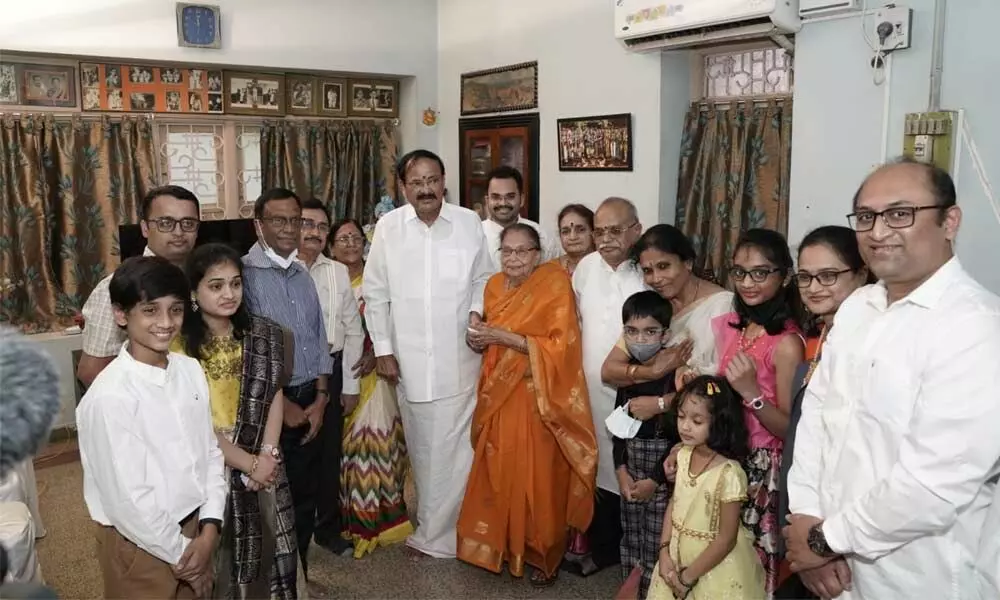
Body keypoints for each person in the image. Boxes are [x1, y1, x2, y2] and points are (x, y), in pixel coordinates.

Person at [784, 160, 1000, 599]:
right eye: (866, 217)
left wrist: (824, 541)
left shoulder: (976, 327)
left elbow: (933, 485)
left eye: (900, 214)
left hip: (923, 575)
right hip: (836, 568)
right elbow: (816, 421)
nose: (878, 231)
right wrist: (807, 517)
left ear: (949, 221)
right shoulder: (858, 308)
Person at [363, 149, 493, 559]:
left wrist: (476, 310)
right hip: (411, 362)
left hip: (461, 357)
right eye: (416, 182)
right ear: (402, 188)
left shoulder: (469, 223)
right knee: (423, 449)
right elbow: (375, 292)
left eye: (432, 180)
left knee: (459, 451)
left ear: (444, 181)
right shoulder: (388, 227)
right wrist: (383, 349)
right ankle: (434, 528)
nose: (425, 189)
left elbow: (484, 277)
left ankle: (444, 536)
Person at [76, 256, 225, 599]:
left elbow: (210, 452)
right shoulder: (110, 397)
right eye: (150, 310)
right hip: (139, 545)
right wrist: (188, 559)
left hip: (196, 527)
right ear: (120, 314)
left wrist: (210, 529)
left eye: (175, 309)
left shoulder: (189, 370)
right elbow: (130, 502)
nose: (165, 322)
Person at [457, 224, 597, 586]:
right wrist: (481, 339)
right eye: (507, 251)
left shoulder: (553, 284)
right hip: (498, 397)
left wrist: (500, 336)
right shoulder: (491, 286)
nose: (514, 258)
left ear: (537, 254)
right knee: (497, 470)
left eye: (522, 251)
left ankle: (540, 554)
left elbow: (562, 345)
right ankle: (499, 546)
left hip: (537, 398)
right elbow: (488, 337)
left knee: (537, 477)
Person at [171, 243, 299, 599]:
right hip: (210, 461)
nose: (229, 294)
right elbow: (190, 422)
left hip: (266, 455)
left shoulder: (262, 334)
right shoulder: (178, 348)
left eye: (235, 283)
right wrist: (249, 464)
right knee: (222, 561)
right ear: (194, 292)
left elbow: (274, 393)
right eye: (215, 286)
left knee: (276, 551)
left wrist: (268, 455)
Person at [774, 226, 871, 600]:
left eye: (829, 275)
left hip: (843, 537)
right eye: (805, 277)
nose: (814, 287)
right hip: (810, 518)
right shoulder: (819, 338)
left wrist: (821, 549)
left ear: (863, 273)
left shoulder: (867, 347)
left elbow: (857, 460)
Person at [241, 187, 334, 578]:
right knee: (271, 501)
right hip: (269, 407)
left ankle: (301, 577)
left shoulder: (302, 274)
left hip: (311, 398)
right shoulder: (243, 275)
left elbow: (317, 333)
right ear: (258, 224)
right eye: (277, 220)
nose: (288, 228)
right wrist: (284, 401)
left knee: (306, 498)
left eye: (295, 220)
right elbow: (247, 351)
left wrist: (322, 397)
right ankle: (276, 583)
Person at [714, 228, 804, 597]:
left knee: (751, 563)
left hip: (762, 468)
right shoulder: (737, 326)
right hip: (728, 450)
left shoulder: (787, 342)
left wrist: (752, 394)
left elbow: (789, 429)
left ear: (783, 276)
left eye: (760, 272)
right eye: (739, 272)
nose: (747, 283)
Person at [329, 218, 413, 557]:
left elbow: (396, 320)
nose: (350, 243)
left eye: (355, 237)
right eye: (342, 238)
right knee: (347, 455)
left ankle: (381, 520)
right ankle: (352, 520)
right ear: (330, 246)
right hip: (342, 373)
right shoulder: (327, 280)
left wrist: (373, 352)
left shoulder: (379, 279)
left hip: (376, 373)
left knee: (377, 447)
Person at [571, 196, 647, 575]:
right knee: (597, 463)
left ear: (636, 229)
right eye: (599, 231)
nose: (605, 239)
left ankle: (632, 551)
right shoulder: (585, 268)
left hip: (635, 388)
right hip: (589, 389)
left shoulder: (647, 270)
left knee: (630, 465)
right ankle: (601, 547)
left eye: (615, 230)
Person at [647, 375, 765, 600]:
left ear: (719, 422)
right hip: (676, 555)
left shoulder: (729, 473)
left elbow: (726, 538)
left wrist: (688, 577)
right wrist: (664, 550)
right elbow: (675, 503)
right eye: (681, 417)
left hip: (711, 567)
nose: (685, 426)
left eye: (697, 421)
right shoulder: (682, 455)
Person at [77, 185, 200, 387]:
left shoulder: (205, 281)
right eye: (166, 223)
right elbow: (92, 372)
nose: (178, 232)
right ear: (145, 228)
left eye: (188, 223)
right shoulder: (116, 286)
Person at [298, 198, 365, 556]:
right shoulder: (278, 269)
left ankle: (327, 529)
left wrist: (351, 386)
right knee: (295, 455)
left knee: (329, 455)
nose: (315, 233)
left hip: (334, 370)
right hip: (292, 376)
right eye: (307, 224)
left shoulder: (336, 271)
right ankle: (294, 533)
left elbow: (353, 330)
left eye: (322, 227)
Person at [605, 290, 680, 598]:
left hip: (661, 474)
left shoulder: (675, 376)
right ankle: (630, 589)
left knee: (655, 542)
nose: (641, 339)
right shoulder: (629, 375)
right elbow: (619, 427)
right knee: (631, 538)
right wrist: (621, 470)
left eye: (651, 331)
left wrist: (654, 480)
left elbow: (679, 438)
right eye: (632, 332)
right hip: (631, 471)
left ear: (666, 334)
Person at [479, 166, 560, 271]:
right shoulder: (474, 235)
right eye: (496, 197)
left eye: (510, 196)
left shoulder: (542, 235)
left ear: (521, 199)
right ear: (487, 200)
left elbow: (554, 276)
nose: (503, 203)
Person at [553, 203, 596, 276]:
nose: (573, 237)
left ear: (594, 233)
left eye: (580, 230)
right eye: (565, 232)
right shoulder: (549, 270)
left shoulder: (608, 266)